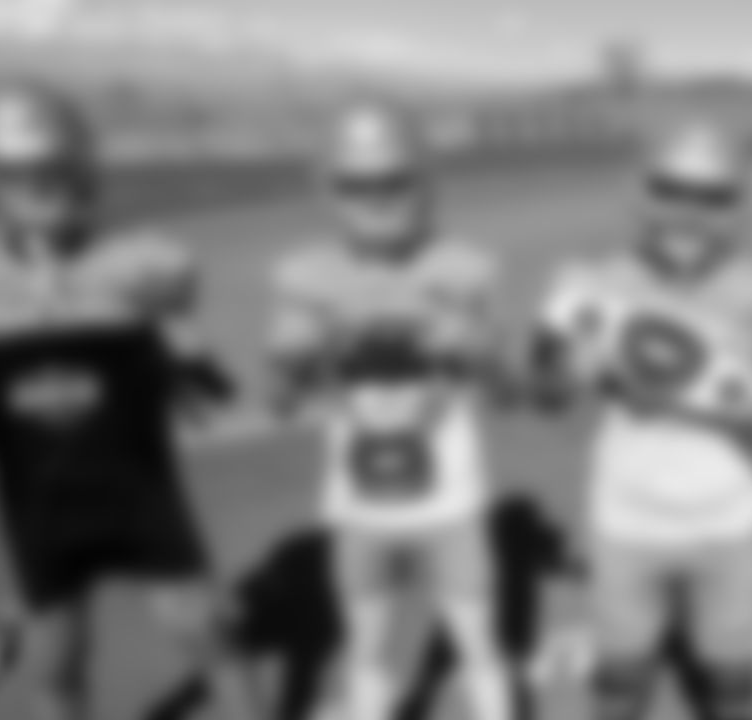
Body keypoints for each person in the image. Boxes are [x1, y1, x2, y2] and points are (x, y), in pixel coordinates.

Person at [0, 83, 257, 720]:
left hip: (144, 500)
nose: (41, 188)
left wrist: (188, 353)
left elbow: (213, 394)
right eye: (17, 175)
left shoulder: (142, 270)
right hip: (41, 513)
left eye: (55, 170)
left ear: (84, 170)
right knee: (56, 663)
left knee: (206, 635)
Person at [527, 119, 752, 720]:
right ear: (639, 192)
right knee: (620, 679)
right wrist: (564, 370)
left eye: (713, 197)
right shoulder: (592, 283)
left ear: (739, 204)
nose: (689, 214)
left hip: (732, 524)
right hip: (627, 524)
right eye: (671, 190)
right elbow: (545, 394)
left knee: (734, 680)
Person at [266, 104, 512, 720]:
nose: (377, 198)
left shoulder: (466, 268)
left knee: (478, 647)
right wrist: (292, 361)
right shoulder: (305, 276)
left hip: (449, 503)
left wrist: (478, 349)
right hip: (360, 505)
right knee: (367, 649)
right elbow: (280, 403)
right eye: (357, 184)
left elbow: (510, 391)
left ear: (423, 181)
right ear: (330, 189)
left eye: (394, 181)